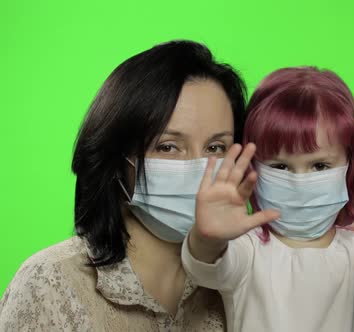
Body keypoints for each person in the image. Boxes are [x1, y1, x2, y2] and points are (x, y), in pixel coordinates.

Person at [0, 40, 247, 331]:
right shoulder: (50, 283)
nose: (198, 167)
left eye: (216, 147)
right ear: (117, 159)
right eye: (167, 147)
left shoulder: (238, 282)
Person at [181, 67, 354, 331]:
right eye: (280, 166)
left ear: (349, 165)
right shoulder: (246, 250)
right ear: (253, 166)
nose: (299, 182)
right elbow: (206, 265)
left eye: (319, 166)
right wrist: (207, 237)